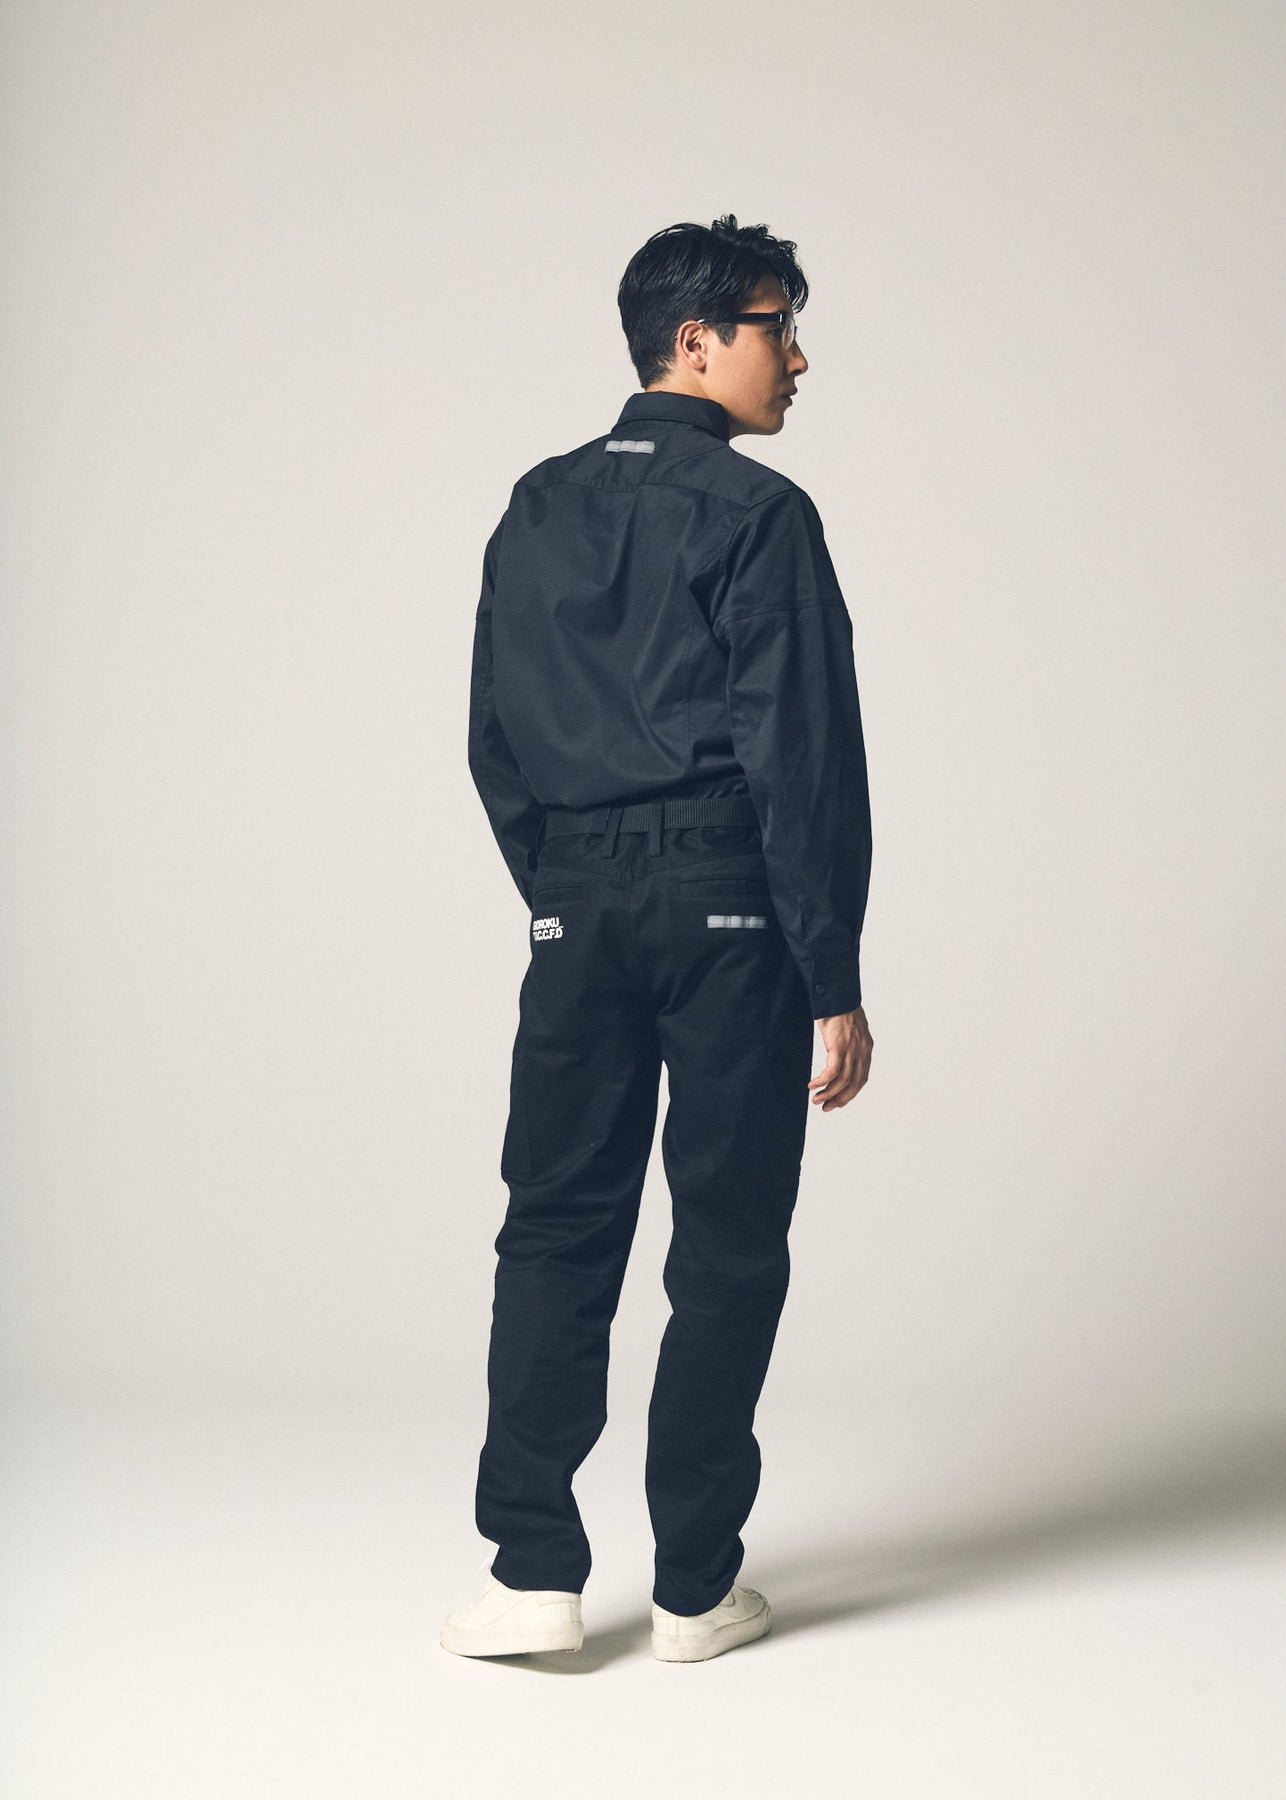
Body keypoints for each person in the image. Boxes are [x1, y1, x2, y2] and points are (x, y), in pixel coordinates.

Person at [440, 214, 874, 1664]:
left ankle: (530, 1579)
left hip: (575, 904)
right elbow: (802, 757)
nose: (796, 357)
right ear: (695, 340)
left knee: (553, 1225)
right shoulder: (761, 514)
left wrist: (566, 884)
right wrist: (832, 972)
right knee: (727, 1239)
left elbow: (494, 734)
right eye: (775, 326)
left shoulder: (538, 503)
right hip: (731, 898)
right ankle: (693, 1587)